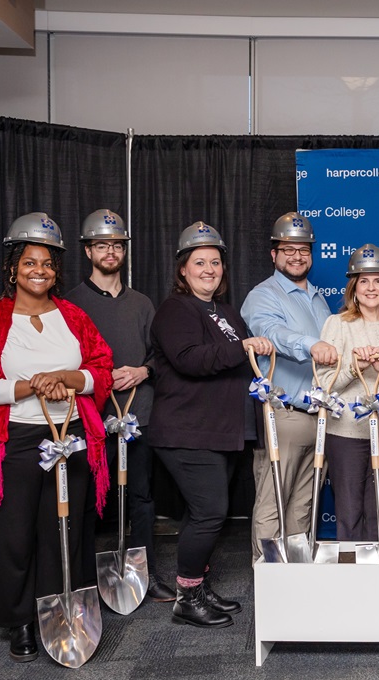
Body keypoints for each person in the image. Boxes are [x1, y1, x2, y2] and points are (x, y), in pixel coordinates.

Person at [0, 212, 112, 662]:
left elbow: (100, 367)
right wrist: (29, 385)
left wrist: (68, 378)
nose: (39, 271)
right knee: (15, 534)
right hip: (15, 441)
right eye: (29, 263)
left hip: (72, 436)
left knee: (66, 527)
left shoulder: (74, 317)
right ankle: (20, 619)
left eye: (47, 264)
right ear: (12, 269)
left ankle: (62, 610)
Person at [148, 221, 274, 629]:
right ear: (183, 269)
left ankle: (197, 585)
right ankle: (186, 598)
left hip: (219, 432)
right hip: (188, 430)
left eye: (215, 262)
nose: (208, 269)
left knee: (202, 512)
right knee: (209, 512)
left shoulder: (224, 312)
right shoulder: (175, 310)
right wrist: (242, 347)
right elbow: (190, 360)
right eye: (199, 262)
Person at [66, 209, 175, 603]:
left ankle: (142, 575)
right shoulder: (70, 305)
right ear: (88, 251)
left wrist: (143, 372)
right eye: (102, 245)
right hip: (89, 421)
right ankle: (81, 581)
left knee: (141, 498)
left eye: (116, 245)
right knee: (85, 502)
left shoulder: (143, 303)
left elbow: (161, 356)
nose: (110, 251)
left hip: (137, 416)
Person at [241, 212, 336, 561]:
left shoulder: (318, 298)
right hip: (285, 414)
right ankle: (266, 580)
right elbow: (271, 333)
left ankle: (293, 581)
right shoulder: (262, 296)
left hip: (321, 416)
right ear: (273, 254)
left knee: (303, 504)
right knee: (273, 502)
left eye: (303, 250)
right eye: (288, 250)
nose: (297, 256)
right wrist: (310, 345)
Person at [320, 245, 379, 542]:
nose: (371, 288)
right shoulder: (337, 324)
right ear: (353, 287)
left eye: (377, 281)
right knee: (348, 510)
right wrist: (353, 366)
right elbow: (323, 385)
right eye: (363, 281)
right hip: (345, 432)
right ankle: (350, 577)